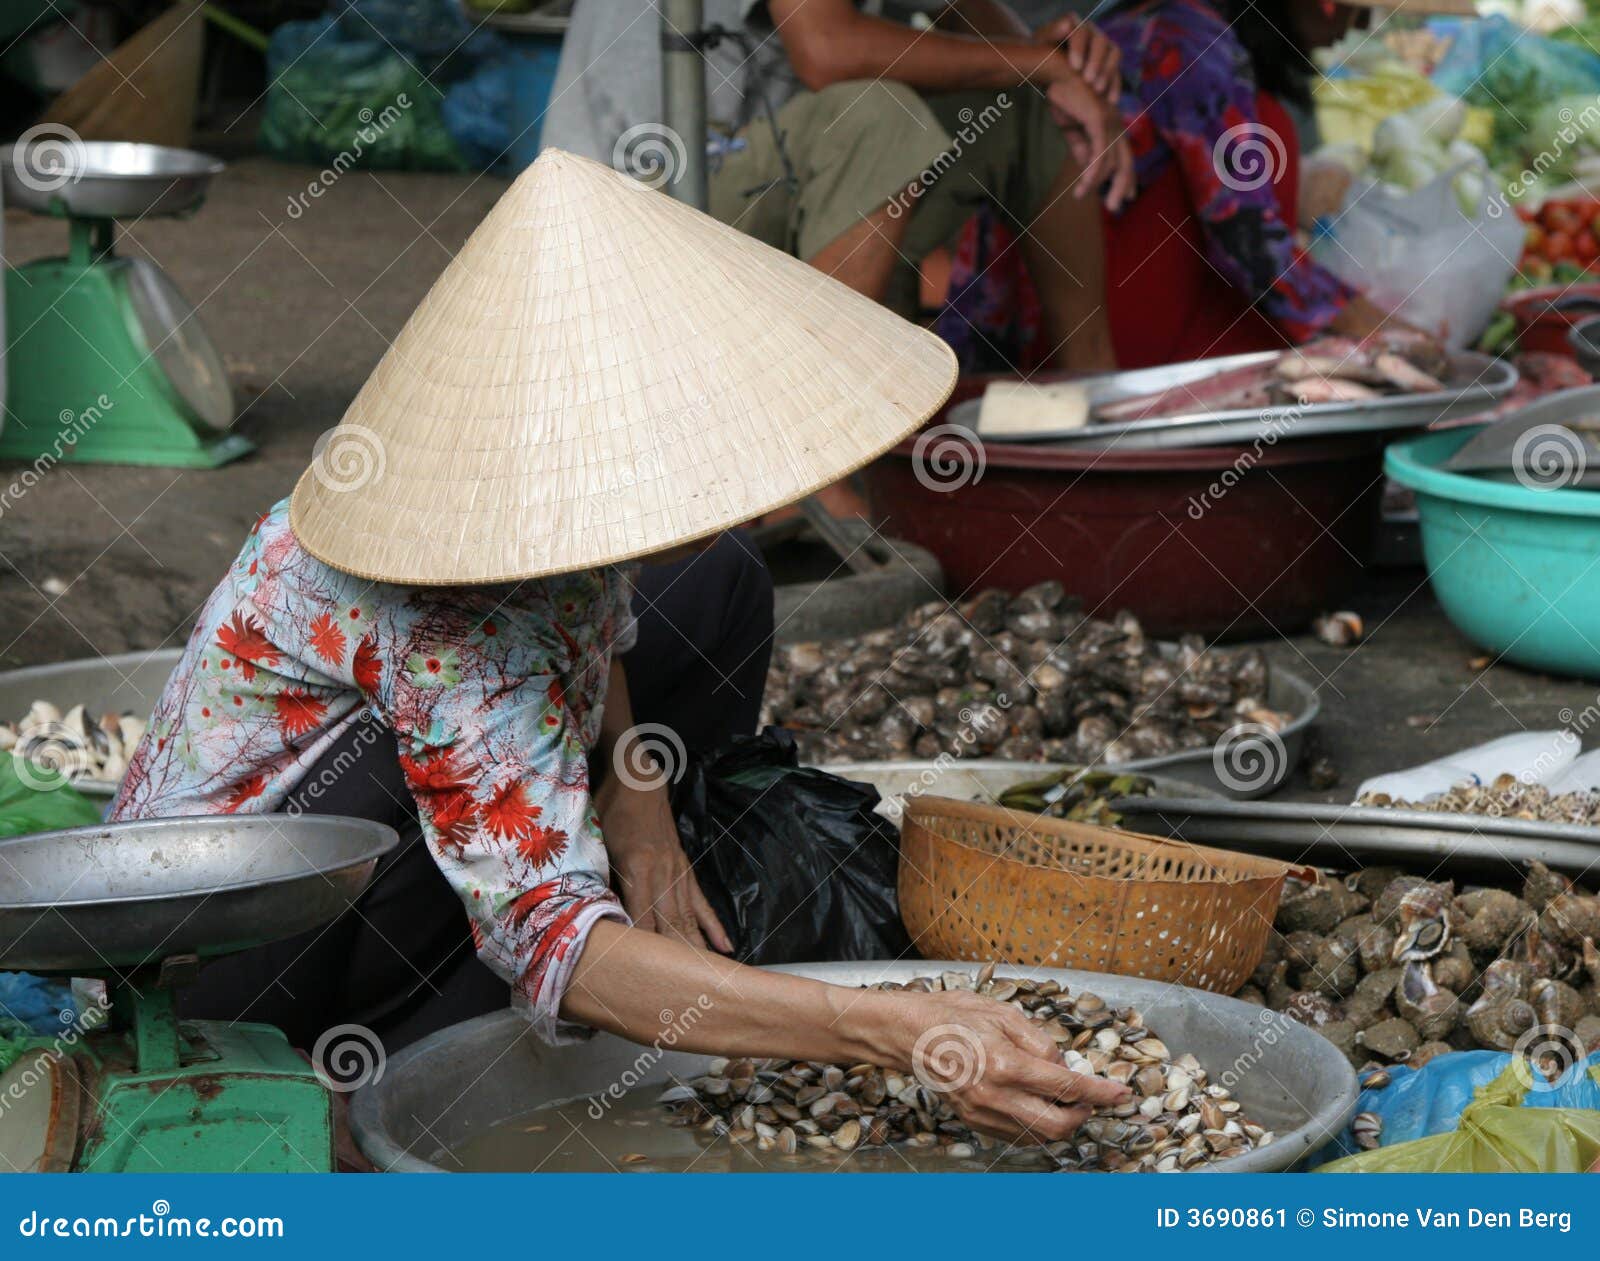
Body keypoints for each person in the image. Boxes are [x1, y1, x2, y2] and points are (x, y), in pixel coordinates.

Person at [110, 149, 1129, 1143]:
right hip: (244, 948)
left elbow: (599, 628)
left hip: (451, 768)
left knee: (716, 576)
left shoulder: (552, 499)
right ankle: (385, 1064)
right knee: (488, 835)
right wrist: (887, 1028)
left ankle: (670, 939)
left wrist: (640, 808)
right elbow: (552, 939)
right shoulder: (453, 608)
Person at [544, 0, 1133, 375]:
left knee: (1031, 104)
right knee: (879, 118)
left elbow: (973, 19)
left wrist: (1056, 58)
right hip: (626, 231)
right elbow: (825, 48)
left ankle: (1094, 402)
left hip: (753, 202)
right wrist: (1038, 63)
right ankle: (808, 474)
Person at [1095, 0, 1449, 367]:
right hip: (1108, 322)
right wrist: (1381, 330)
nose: (1358, 26)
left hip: (1090, 304)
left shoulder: (1159, 19)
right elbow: (1247, 238)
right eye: (1355, 9)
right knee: (1269, 126)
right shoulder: (1192, 42)